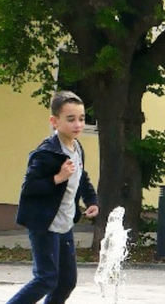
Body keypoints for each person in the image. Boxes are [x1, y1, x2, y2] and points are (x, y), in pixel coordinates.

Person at [7, 91, 100, 304]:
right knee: (46, 279)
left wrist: (91, 200)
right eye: (71, 119)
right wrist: (57, 178)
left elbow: (81, 176)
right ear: (54, 122)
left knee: (66, 282)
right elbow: (29, 187)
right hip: (45, 224)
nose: (78, 124)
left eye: (82, 119)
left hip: (64, 224)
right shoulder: (45, 153)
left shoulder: (76, 147)